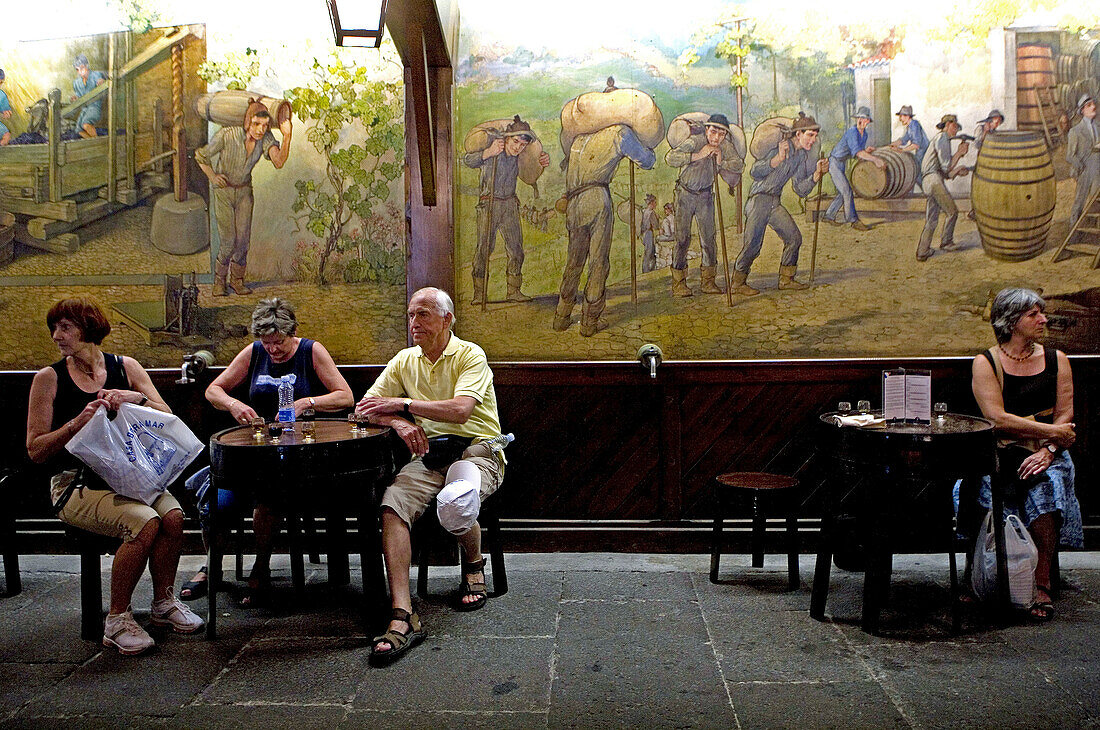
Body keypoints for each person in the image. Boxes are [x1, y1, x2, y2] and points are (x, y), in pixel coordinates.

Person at [26, 297, 203, 654]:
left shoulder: (126, 366)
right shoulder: (49, 379)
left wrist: (133, 396)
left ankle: (163, 604)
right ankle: (117, 619)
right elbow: (36, 449)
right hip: (75, 484)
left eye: (66, 327)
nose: (57, 336)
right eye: (54, 328)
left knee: (172, 516)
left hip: (130, 474)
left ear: (89, 328)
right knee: (144, 522)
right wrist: (78, 421)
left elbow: (164, 413)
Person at [357, 287, 507, 665]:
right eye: (410, 315)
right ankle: (403, 614)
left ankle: (473, 563)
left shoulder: (470, 354)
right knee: (392, 506)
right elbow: (363, 410)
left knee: (455, 500)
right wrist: (398, 422)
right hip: (430, 454)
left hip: (478, 448)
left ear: (447, 320)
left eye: (423, 314)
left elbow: (460, 410)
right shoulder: (405, 360)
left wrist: (403, 404)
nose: (414, 323)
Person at [180, 297, 353, 604]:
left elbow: (345, 397)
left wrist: (306, 402)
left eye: (280, 343)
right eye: (267, 342)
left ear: (293, 332)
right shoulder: (255, 352)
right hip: (254, 452)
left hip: (298, 458)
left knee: (269, 496)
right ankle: (213, 565)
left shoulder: (311, 351)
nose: (273, 349)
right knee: (216, 500)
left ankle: (260, 568)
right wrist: (234, 404)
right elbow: (213, 390)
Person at [968, 287, 1081, 621]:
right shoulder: (986, 362)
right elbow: (997, 420)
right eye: (1034, 314)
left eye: (1041, 313)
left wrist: (1048, 449)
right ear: (1011, 321)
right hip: (1002, 451)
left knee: (1047, 487)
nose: (1043, 320)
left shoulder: (1056, 360)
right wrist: (1052, 432)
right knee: (985, 492)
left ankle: (1041, 580)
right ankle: (993, 579)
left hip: (1049, 452)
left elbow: (1066, 415)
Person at [553, 123, 656, 336]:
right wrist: (648, 147)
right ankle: (590, 321)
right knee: (598, 262)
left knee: (574, 260)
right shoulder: (620, 132)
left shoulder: (579, 137)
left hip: (574, 202)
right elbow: (646, 161)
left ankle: (562, 316)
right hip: (597, 198)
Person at [195, 105, 292, 296]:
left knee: (243, 241)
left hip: (244, 193)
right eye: (256, 124)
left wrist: (287, 136)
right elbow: (201, 156)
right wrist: (213, 176)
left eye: (265, 125)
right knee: (228, 241)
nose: (260, 130)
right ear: (247, 122)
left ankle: (237, 282)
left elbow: (279, 161)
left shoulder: (265, 138)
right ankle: (219, 281)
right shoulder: (227, 135)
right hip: (224, 192)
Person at [733, 112, 829, 295]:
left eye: (815, 136)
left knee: (794, 238)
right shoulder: (779, 148)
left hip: (774, 202)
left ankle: (786, 279)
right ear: (798, 134)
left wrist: (817, 175)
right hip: (759, 200)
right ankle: (738, 282)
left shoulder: (800, 157)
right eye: (810, 135)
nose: (813, 140)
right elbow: (755, 171)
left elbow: (800, 189)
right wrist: (777, 158)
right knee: (753, 245)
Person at [464, 115, 550, 304]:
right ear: (506, 139)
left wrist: (540, 162)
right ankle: (479, 294)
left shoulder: (519, 157)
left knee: (516, 249)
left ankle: (513, 291)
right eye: (515, 141)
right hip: (489, 204)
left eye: (522, 144)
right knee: (484, 249)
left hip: (510, 205)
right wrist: (488, 152)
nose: (518, 147)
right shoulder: (493, 151)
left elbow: (530, 173)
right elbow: (467, 160)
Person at [665, 113, 744, 296]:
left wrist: (721, 161)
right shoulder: (695, 141)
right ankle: (679, 283)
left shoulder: (725, 146)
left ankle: (708, 282)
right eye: (713, 132)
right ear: (707, 129)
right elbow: (671, 158)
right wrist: (698, 155)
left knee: (708, 239)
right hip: (685, 194)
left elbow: (739, 165)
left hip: (706, 196)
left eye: (721, 134)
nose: (716, 138)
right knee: (682, 238)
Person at [915, 114, 970, 262]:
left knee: (932, 219)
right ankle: (946, 242)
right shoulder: (942, 138)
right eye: (954, 126)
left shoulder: (941, 139)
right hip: (933, 180)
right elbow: (946, 167)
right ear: (946, 125)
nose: (956, 130)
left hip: (931, 181)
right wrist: (959, 153)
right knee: (952, 211)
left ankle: (922, 251)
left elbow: (946, 173)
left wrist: (958, 171)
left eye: (957, 127)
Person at [823, 106, 882, 231]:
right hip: (834, 162)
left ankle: (828, 216)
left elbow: (857, 154)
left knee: (843, 191)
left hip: (841, 163)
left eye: (864, 118)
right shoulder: (852, 132)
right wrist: (875, 159)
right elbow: (858, 153)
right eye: (859, 118)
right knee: (847, 191)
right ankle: (853, 220)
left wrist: (866, 151)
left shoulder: (864, 134)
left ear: (868, 122)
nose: (861, 120)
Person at [1066, 95, 1099, 230]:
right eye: (1089, 105)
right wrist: (1081, 168)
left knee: (1095, 201)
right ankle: (1073, 234)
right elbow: (1070, 156)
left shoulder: (1098, 127)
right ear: (1082, 110)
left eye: (1093, 104)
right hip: (1084, 171)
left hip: (1097, 170)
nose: (1093, 107)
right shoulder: (1075, 131)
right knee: (1079, 203)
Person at [966, 110, 1003, 220]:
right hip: (982, 161)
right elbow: (977, 145)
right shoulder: (980, 129)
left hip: (992, 161)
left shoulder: (994, 132)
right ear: (990, 121)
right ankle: (975, 211)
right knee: (979, 185)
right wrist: (985, 132)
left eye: (998, 122)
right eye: (996, 122)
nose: (997, 124)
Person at [71, 54, 107, 139]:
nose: (80, 71)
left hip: (94, 107)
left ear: (87, 66)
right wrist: (75, 98)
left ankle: (98, 144)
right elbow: (79, 96)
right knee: (78, 130)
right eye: (77, 69)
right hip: (84, 109)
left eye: (82, 68)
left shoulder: (96, 75)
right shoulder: (76, 83)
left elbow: (102, 84)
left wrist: (102, 82)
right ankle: (95, 143)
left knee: (86, 124)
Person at [640, 193, 659, 273]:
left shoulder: (644, 211)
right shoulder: (651, 213)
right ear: (651, 203)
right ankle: (647, 270)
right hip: (649, 234)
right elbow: (656, 226)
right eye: (655, 202)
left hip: (644, 234)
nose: (656, 204)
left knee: (650, 252)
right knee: (649, 252)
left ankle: (650, 269)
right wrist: (657, 218)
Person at [0, 69, 12, 146]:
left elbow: (6, 110)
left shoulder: (1, 95)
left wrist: (6, 113)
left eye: (0, 83)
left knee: (6, 136)